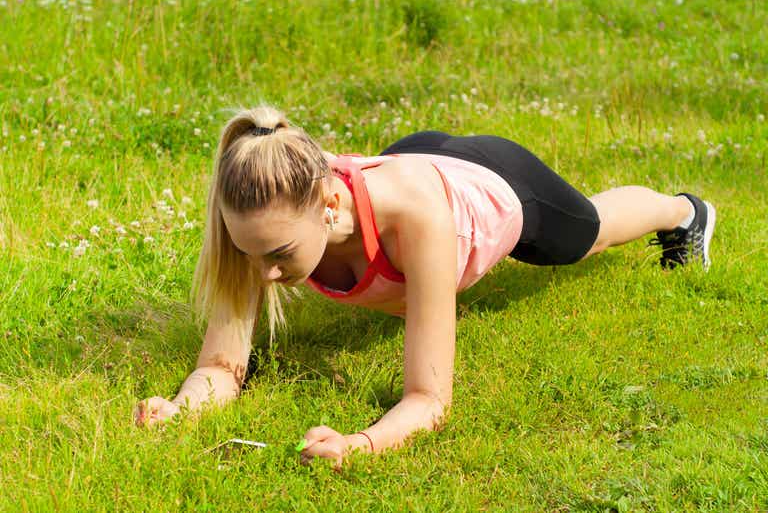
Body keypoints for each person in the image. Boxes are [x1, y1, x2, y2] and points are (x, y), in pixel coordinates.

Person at [133, 105, 716, 468]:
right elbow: (221, 363)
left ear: (330, 206)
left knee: (587, 232)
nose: (263, 276)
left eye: (280, 255)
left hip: (498, 182)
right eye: (248, 252)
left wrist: (360, 444)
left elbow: (429, 399)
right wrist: (181, 410)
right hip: (413, 154)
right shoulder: (266, 220)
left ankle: (683, 212)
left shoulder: (419, 223)